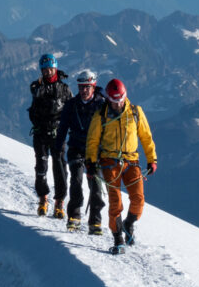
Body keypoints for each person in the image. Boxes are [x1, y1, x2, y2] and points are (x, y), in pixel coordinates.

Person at [85, 78, 158, 253]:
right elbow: (93, 141)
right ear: (108, 98)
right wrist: (91, 163)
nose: (118, 104)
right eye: (114, 100)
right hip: (109, 162)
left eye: (121, 99)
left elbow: (146, 137)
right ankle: (118, 238)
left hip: (132, 161)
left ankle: (129, 223)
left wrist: (152, 159)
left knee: (138, 199)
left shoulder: (135, 112)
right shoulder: (100, 115)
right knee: (115, 202)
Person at [55, 69, 106, 234]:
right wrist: (58, 145)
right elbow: (62, 127)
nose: (84, 90)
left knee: (96, 186)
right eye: (81, 87)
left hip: (95, 152)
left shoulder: (102, 105)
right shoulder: (71, 105)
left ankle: (95, 222)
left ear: (93, 86)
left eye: (87, 87)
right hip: (76, 148)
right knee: (76, 181)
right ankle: (74, 216)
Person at [28, 53, 71, 217]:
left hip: (58, 134)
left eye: (51, 69)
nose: (48, 73)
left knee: (60, 168)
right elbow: (35, 92)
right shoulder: (37, 87)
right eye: (45, 70)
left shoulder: (65, 89)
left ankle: (59, 202)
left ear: (56, 68)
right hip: (41, 133)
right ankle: (43, 199)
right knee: (41, 167)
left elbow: (70, 110)